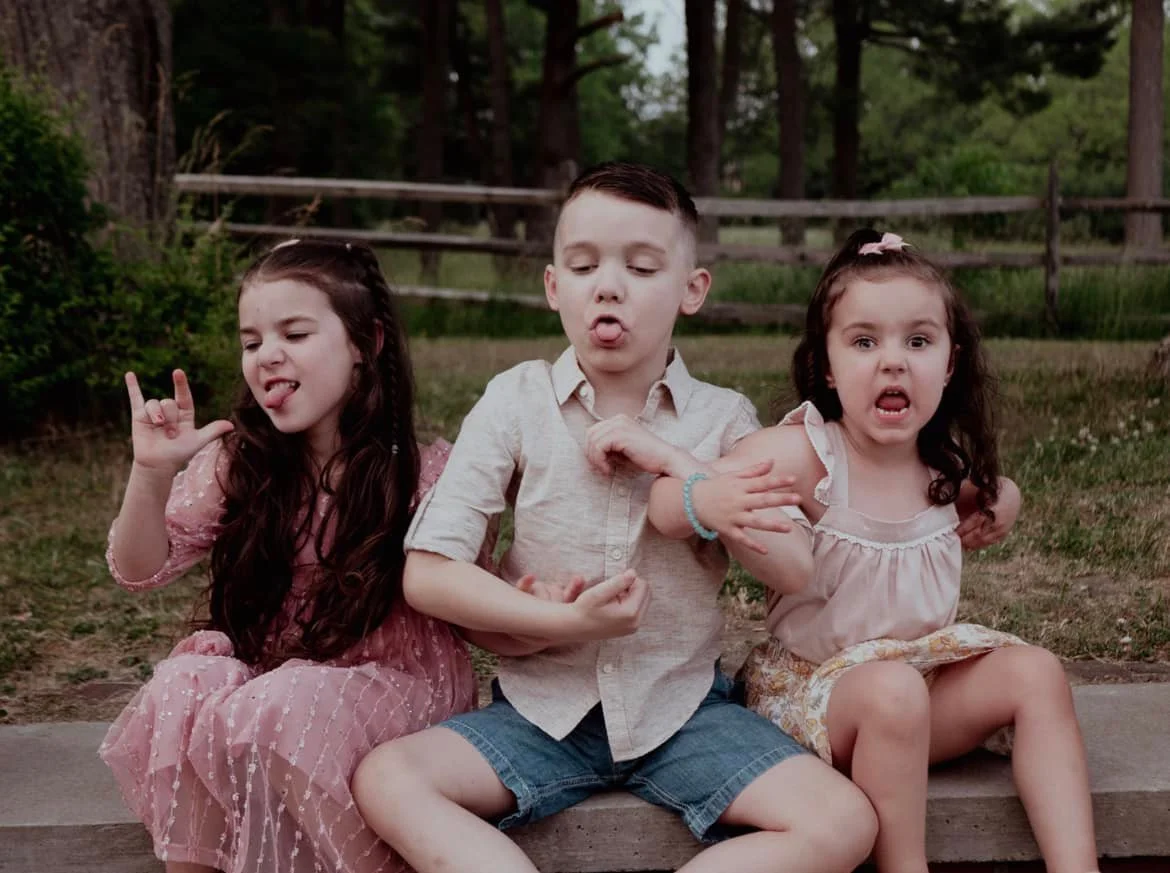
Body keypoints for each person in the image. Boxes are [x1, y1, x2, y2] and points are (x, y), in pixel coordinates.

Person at [351, 162, 878, 873]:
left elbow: (792, 567)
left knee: (843, 821)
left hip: (685, 713)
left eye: (640, 265)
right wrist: (559, 622)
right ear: (553, 286)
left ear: (692, 290)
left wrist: (695, 477)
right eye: (584, 264)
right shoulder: (517, 400)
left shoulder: (722, 420)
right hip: (540, 711)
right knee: (388, 776)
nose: (608, 284)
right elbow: (430, 572)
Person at [650, 228, 1098, 873]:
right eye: (865, 342)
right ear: (827, 366)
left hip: (916, 693)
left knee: (1037, 672)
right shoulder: (807, 454)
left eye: (918, 341)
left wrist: (1010, 498)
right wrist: (687, 485)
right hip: (815, 703)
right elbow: (686, 488)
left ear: (949, 363)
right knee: (891, 691)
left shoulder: (937, 464)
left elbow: (987, 494)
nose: (893, 362)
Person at [99, 238, 484, 873]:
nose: (267, 356)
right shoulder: (240, 463)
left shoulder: (427, 475)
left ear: (368, 344)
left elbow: (470, 602)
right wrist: (150, 473)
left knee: (280, 703)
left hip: (402, 689)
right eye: (252, 342)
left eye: (295, 334)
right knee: (187, 681)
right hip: (276, 684)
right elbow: (140, 570)